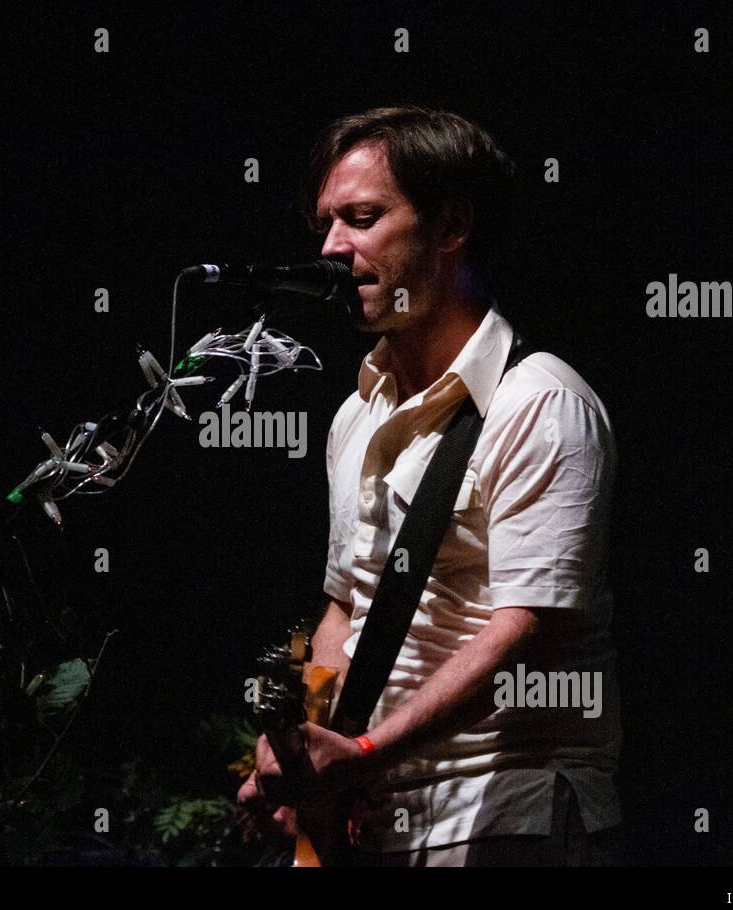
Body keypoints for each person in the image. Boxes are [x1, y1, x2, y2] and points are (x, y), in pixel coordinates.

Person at [237, 105, 624, 866]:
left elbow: (527, 632)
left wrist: (367, 751)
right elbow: (348, 605)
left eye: (362, 217)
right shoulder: (356, 413)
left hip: (513, 812)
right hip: (383, 822)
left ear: (450, 227)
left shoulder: (540, 403)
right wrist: (309, 761)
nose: (330, 247)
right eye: (326, 223)